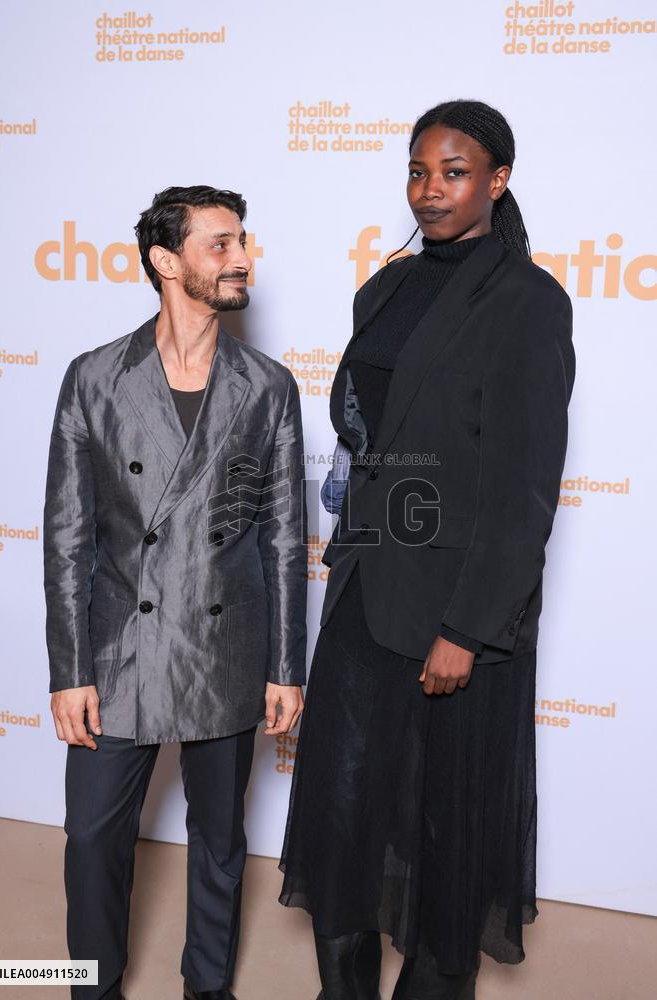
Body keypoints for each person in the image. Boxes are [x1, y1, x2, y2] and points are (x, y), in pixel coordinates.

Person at [279, 101, 575, 1000]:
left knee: (446, 829)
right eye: (419, 171)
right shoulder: (386, 288)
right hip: (367, 586)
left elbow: (524, 488)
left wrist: (467, 628)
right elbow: (370, 436)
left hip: (455, 611)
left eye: (454, 171)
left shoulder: (527, 301)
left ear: (497, 180)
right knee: (344, 806)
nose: (432, 188)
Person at [43, 185, 308, 1000]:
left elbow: (286, 537)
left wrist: (287, 667)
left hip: (225, 647)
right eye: (220, 245)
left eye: (242, 242)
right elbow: (67, 537)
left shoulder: (267, 386)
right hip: (119, 649)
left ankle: (207, 988)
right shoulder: (94, 377)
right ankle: (92, 985)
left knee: (219, 840)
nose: (241, 259)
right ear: (167, 262)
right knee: (91, 838)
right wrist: (69, 669)